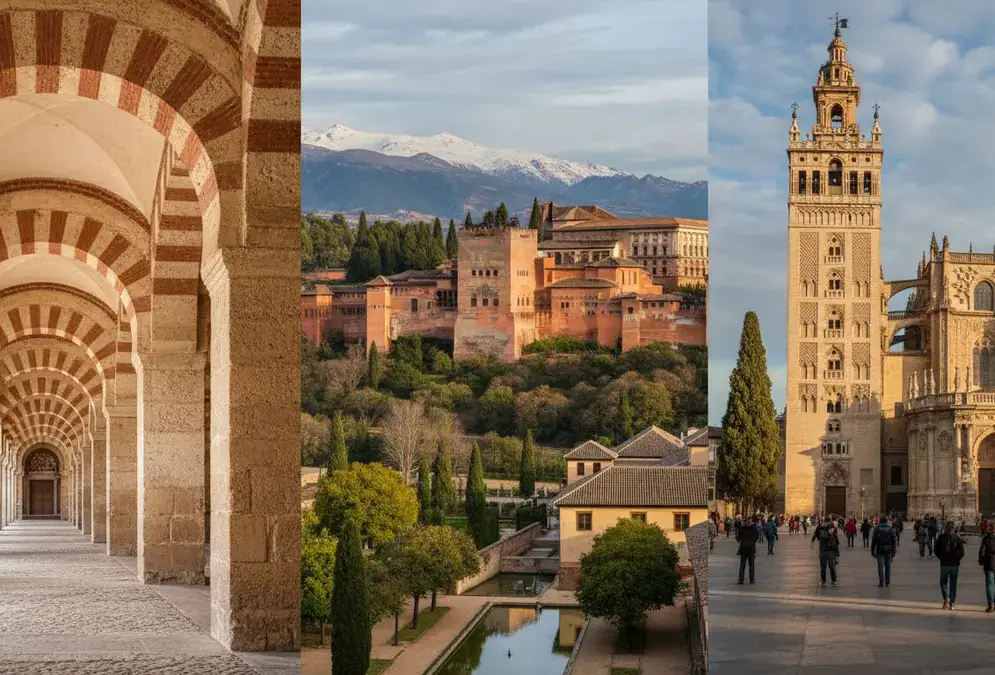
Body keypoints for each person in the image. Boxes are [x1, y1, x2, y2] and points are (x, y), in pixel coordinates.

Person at [935, 521, 965, 610]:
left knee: (943, 582)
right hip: (955, 564)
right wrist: (957, 559)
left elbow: (936, 551)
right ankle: (952, 603)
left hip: (944, 564)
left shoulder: (941, 537)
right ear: (953, 528)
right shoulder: (957, 538)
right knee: (953, 584)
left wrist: (942, 558)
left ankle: (946, 598)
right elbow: (962, 552)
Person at [871, 515, 897, 587]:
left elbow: (874, 541)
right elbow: (893, 541)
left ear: (880, 521)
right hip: (888, 550)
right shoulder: (890, 529)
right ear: (886, 521)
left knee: (880, 566)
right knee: (888, 566)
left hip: (880, 550)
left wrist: (872, 551)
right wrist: (894, 552)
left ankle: (881, 582)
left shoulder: (877, 529)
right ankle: (887, 581)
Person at [737, 515, 760, 584]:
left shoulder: (742, 529)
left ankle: (741, 579)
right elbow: (757, 537)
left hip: (743, 548)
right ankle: (751, 579)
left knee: (742, 565)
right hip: (751, 548)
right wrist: (752, 542)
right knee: (751, 565)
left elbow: (738, 538)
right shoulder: (754, 529)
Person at [979, 525, 995, 612]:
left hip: (989, 563)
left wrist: (981, 560)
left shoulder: (986, 539)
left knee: (990, 584)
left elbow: (981, 550)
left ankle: (991, 604)